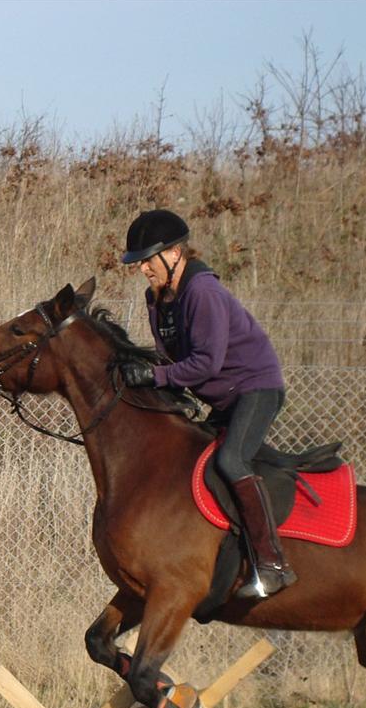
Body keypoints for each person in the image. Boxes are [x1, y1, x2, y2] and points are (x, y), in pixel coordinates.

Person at [118, 209, 296, 599]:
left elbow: (205, 363)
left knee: (231, 462)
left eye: (148, 260)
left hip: (255, 389)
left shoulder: (203, 292)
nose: (144, 269)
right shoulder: (159, 299)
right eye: (140, 263)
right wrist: (142, 370)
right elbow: (170, 359)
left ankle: (273, 565)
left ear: (175, 253)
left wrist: (155, 377)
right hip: (223, 396)